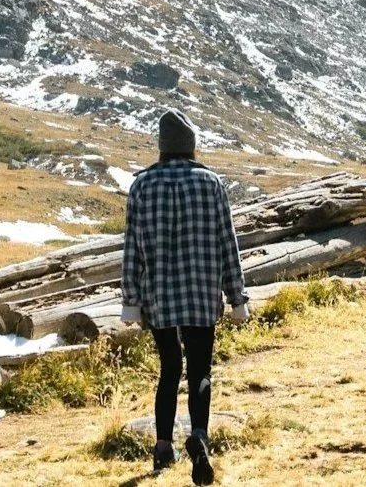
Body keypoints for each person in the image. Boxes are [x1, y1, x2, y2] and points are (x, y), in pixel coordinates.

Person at [121, 109, 251, 484]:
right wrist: (236, 296)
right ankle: (199, 435)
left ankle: (162, 447)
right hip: (201, 291)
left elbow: (131, 250)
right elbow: (228, 243)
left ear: (162, 148)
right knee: (199, 370)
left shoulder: (142, 186)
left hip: (159, 294)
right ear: (191, 147)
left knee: (168, 370)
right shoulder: (210, 183)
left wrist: (131, 298)